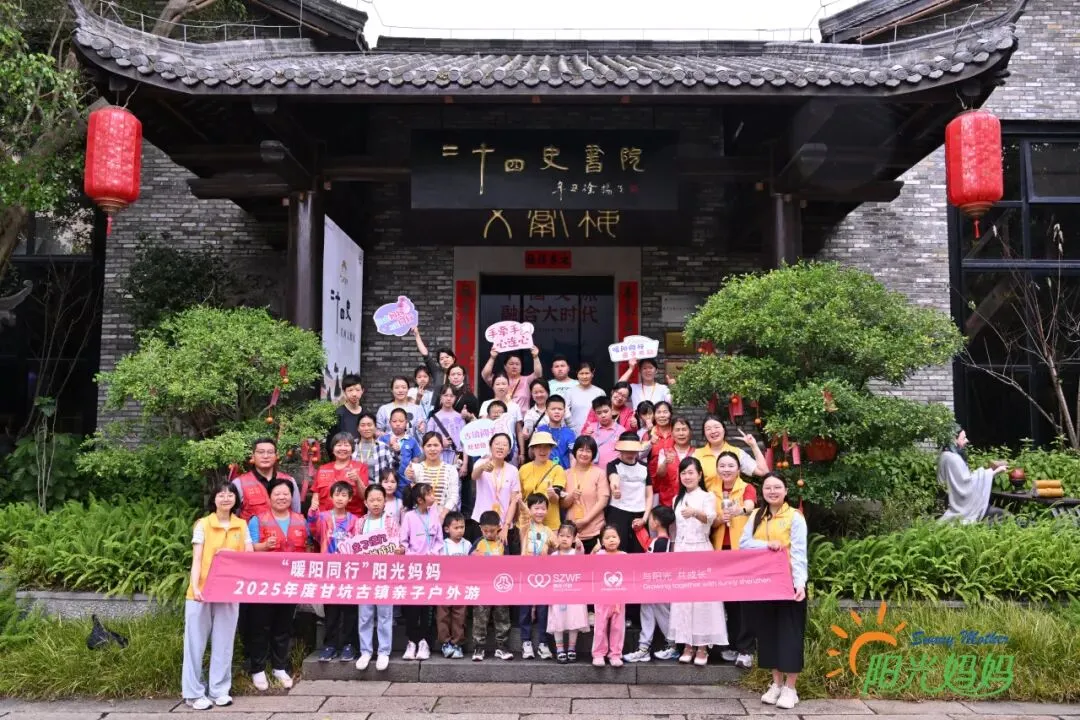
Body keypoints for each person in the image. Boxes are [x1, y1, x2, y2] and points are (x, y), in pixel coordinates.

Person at [740, 473, 808, 710]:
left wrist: (800, 584)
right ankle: (776, 684)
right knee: (768, 634)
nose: (772, 491)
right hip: (764, 584)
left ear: (786, 491)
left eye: (777, 487)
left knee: (790, 635)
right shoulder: (757, 515)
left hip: (789, 584)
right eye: (768, 487)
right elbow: (743, 543)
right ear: (763, 492)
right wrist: (766, 545)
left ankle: (791, 688)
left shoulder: (795, 517)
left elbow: (799, 552)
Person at [182, 482, 252, 711]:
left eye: (230, 494)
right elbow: (197, 559)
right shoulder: (203, 524)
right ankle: (193, 693)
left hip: (229, 591)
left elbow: (249, 556)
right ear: (214, 499)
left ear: (236, 499)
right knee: (195, 643)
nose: (226, 498)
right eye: (221, 494)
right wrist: (195, 587)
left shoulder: (241, 525)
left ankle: (219, 690)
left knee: (224, 643)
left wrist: (231, 553)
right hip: (201, 592)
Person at [246, 479, 310, 690]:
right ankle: (258, 669)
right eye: (277, 493)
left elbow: (308, 548)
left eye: (286, 494)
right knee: (260, 626)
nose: (282, 497)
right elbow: (248, 549)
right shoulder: (257, 520)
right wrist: (264, 546)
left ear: (292, 496)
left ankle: (279, 667)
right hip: (264, 583)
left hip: (290, 583)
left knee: (283, 626)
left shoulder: (301, 520)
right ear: (269, 496)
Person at [669, 457, 728, 666]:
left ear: (700, 475)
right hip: (682, 550)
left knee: (703, 599)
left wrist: (695, 512)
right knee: (683, 598)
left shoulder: (707, 496)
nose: (687, 477)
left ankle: (702, 646)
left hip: (701, 549)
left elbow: (710, 518)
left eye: (691, 472)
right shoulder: (676, 498)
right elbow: (676, 529)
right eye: (683, 473)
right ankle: (687, 644)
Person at [712, 451, 758, 669]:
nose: (726, 469)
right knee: (727, 602)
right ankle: (729, 645)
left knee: (744, 602)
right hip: (719, 552)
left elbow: (750, 505)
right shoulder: (712, 491)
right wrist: (719, 519)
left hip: (742, 552)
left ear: (738, 469)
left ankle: (746, 649)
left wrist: (739, 510)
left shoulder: (746, 487)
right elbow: (711, 521)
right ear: (717, 469)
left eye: (731, 465)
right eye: (722, 465)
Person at [309, 481, 361, 663]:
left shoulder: (355, 520)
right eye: (337, 495)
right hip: (329, 571)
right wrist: (312, 512)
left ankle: (349, 645)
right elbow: (313, 531)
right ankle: (329, 645)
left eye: (344, 495)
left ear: (350, 498)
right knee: (331, 610)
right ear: (331, 497)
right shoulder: (323, 517)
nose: (340, 498)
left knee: (350, 610)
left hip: (349, 571)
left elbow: (359, 544)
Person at [623, 505, 677, 663]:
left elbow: (657, 565)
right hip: (649, 586)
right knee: (646, 613)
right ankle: (643, 648)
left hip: (658, 587)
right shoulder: (659, 541)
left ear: (657, 522)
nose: (649, 522)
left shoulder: (662, 542)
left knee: (663, 615)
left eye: (651, 518)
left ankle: (672, 646)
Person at [356, 484, 399, 672]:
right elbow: (355, 546)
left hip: (385, 574)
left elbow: (396, 545)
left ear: (384, 502)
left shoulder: (391, 522)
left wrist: (397, 550)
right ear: (365, 502)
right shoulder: (360, 523)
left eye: (379, 500)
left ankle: (383, 651)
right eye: (371, 500)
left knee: (384, 614)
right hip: (365, 574)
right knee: (365, 615)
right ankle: (365, 651)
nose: (375, 503)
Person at [399, 482, 442, 660]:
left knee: (427, 606)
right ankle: (411, 641)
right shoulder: (409, 516)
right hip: (413, 568)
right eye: (429, 494)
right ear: (420, 500)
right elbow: (403, 542)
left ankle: (424, 641)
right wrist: (413, 557)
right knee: (412, 606)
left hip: (430, 567)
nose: (433, 497)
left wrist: (433, 553)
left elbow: (439, 540)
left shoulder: (434, 514)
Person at [939, 426, 1007, 524]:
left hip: (953, 501)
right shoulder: (954, 459)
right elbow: (966, 482)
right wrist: (994, 472)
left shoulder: (945, 455)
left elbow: (964, 478)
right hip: (963, 507)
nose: (967, 440)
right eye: (963, 438)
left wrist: (989, 471)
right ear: (954, 439)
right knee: (1004, 516)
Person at [470, 510, 513, 662]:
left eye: (492, 531)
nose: (489, 534)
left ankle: (502, 646)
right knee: (480, 617)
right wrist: (473, 556)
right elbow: (468, 560)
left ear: (499, 528)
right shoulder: (478, 543)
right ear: (480, 528)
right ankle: (479, 647)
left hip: (500, 586)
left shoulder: (503, 542)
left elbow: (509, 563)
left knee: (502, 616)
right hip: (482, 586)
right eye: (485, 530)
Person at [519, 493, 557, 660]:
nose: (540, 512)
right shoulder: (525, 527)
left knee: (543, 610)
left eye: (543, 508)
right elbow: (524, 514)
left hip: (543, 577)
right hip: (526, 574)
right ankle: (526, 642)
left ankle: (543, 643)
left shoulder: (548, 531)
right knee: (525, 610)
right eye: (536, 508)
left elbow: (558, 547)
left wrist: (575, 544)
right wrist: (520, 502)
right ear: (530, 509)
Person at [548, 522, 588, 664]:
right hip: (558, 593)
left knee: (574, 620)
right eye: (561, 535)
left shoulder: (577, 552)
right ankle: (560, 649)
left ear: (574, 538)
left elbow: (582, 566)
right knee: (557, 620)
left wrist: (580, 547)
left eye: (568, 536)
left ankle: (571, 648)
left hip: (574, 594)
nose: (564, 538)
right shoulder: (553, 555)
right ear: (557, 536)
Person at [605, 433, 653, 554]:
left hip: (640, 513)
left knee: (640, 552)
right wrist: (615, 489)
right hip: (618, 512)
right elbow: (613, 478)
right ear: (620, 450)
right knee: (618, 551)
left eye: (633, 451)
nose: (630, 454)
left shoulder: (644, 467)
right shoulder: (613, 465)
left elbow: (649, 495)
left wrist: (644, 519)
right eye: (627, 451)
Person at [561, 435, 609, 554]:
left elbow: (603, 501)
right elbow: (562, 504)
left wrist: (585, 520)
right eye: (581, 450)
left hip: (595, 530)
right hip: (571, 533)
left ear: (593, 454)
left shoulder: (599, 473)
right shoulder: (565, 474)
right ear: (575, 451)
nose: (584, 454)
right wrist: (571, 496)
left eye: (588, 451)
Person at [232, 438, 300, 520]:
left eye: (270, 452)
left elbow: (297, 514)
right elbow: (233, 519)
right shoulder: (239, 483)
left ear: (276, 456)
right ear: (253, 456)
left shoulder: (289, 481)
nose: (265, 456)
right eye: (261, 452)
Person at [471, 433, 520, 543]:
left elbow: (513, 501)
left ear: (509, 450)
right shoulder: (481, 463)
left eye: (504, 445)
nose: (500, 447)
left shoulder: (513, 470)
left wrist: (506, 526)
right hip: (481, 523)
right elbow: (474, 476)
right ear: (490, 447)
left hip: (503, 524)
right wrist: (482, 468)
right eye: (497, 444)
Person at [693, 416, 768, 488]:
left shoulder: (736, 452)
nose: (713, 431)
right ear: (704, 433)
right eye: (708, 429)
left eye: (717, 427)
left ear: (724, 429)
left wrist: (753, 446)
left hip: (734, 496)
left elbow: (763, 471)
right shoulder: (696, 455)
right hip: (707, 497)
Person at [517, 432, 567, 535]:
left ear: (551, 449)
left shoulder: (557, 469)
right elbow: (519, 497)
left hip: (550, 525)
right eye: (538, 447)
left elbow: (556, 499)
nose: (542, 450)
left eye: (546, 447)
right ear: (533, 449)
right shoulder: (523, 469)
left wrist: (552, 494)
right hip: (527, 523)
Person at [405, 432, 461, 522]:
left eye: (436, 445)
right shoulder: (416, 468)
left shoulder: (451, 469)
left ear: (442, 447)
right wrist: (409, 474)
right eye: (429, 445)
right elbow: (409, 476)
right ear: (423, 448)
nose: (432, 449)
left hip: (445, 518)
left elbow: (454, 496)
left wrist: (443, 515)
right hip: (420, 518)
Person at [591, 525, 626, 667]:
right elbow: (588, 567)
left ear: (619, 539)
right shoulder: (599, 555)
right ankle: (598, 654)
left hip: (619, 598)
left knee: (618, 627)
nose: (611, 540)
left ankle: (615, 654)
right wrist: (594, 552)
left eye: (614, 537)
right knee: (600, 626)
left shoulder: (624, 556)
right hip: (602, 598)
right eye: (607, 538)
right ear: (602, 541)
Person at [311, 432, 368, 517]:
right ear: (333, 449)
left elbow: (365, 496)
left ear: (352, 449)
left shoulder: (360, 467)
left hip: (352, 520)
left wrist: (357, 480)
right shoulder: (322, 469)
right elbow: (316, 496)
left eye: (346, 445)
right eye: (339, 445)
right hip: (325, 519)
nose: (342, 448)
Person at [481, 345, 543, 415]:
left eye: (517, 364)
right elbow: (485, 375)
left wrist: (535, 357)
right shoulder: (500, 381)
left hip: (523, 419)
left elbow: (538, 375)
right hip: (502, 418)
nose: (514, 366)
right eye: (511, 364)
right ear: (505, 366)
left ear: (521, 367)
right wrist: (492, 357)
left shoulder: (527, 380)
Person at [380, 407, 421, 495]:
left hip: (405, 484)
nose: (398, 424)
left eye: (401, 421)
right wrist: (389, 445)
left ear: (406, 422)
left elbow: (415, 463)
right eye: (394, 421)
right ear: (389, 422)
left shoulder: (412, 440)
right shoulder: (383, 439)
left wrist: (414, 479)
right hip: (387, 484)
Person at [649, 405, 682, 508]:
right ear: (654, 415)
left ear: (670, 414)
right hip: (653, 483)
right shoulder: (649, 433)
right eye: (658, 412)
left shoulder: (677, 432)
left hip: (673, 483)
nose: (662, 415)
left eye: (665, 412)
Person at [533, 394, 576, 469]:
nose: (557, 412)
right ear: (546, 412)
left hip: (564, 472)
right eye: (553, 409)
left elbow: (572, 457)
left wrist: (571, 473)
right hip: (543, 472)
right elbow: (532, 454)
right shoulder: (540, 430)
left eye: (560, 409)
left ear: (564, 411)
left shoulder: (570, 433)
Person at [430, 385, 466, 468]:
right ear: (441, 397)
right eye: (445, 395)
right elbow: (428, 440)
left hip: (456, 457)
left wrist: (465, 464)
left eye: (451, 396)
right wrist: (440, 442)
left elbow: (465, 443)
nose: (448, 398)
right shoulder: (434, 418)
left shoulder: (460, 418)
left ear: (455, 398)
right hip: (437, 456)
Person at [355, 413, 395, 489]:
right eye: (363, 425)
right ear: (358, 428)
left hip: (377, 490)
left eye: (369, 425)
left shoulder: (383, 447)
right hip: (355, 489)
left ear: (375, 427)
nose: (366, 428)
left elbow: (391, 469)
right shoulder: (352, 446)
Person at [586, 396, 625, 469]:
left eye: (606, 411)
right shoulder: (591, 428)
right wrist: (586, 436)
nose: (603, 415)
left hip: (614, 471)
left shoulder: (621, 431)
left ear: (612, 410)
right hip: (592, 471)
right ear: (595, 414)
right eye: (599, 413)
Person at [566, 362, 605, 433]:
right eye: (581, 373)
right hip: (575, 433)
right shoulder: (570, 392)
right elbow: (564, 413)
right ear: (577, 374)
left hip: (595, 433)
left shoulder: (600, 392)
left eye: (587, 373)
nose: (584, 377)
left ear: (592, 374)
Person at [326, 374, 364, 447]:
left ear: (362, 391)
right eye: (350, 390)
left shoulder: (366, 414)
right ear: (344, 392)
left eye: (357, 390)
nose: (354, 394)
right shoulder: (338, 414)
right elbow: (330, 443)